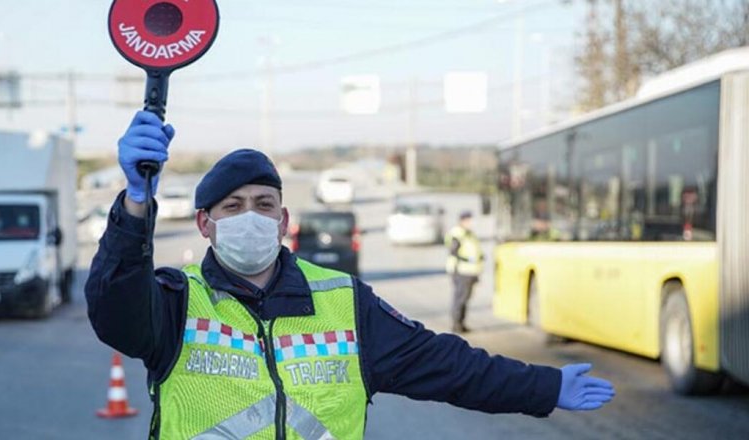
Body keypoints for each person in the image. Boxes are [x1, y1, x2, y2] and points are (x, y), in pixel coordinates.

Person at [86, 111, 616, 440]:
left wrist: (542, 387)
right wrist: (137, 200)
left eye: (264, 203)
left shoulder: (344, 301)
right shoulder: (176, 303)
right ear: (205, 223)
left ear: (283, 220)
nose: (251, 215)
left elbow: (449, 366)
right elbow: (113, 309)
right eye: (233, 206)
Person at [446, 211, 483, 333]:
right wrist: (467, 260)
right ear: (463, 220)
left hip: (470, 271)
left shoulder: (469, 233)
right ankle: (456, 324)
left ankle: (461, 323)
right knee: (460, 298)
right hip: (462, 271)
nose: (471, 223)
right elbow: (453, 251)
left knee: (465, 298)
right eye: (469, 220)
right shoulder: (457, 233)